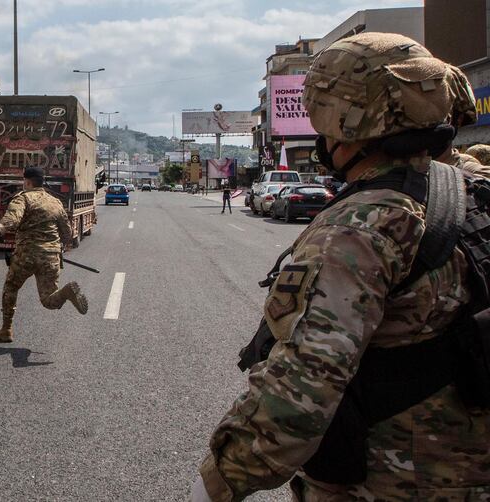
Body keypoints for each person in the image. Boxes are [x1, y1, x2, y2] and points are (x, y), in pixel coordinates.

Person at [193, 33, 490, 501]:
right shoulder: (475, 193)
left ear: (344, 117)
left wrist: (218, 482)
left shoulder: (361, 225)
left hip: (394, 482)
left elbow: (302, 386)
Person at [0, 166, 88, 343]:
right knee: (48, 300)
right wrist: (58, 249)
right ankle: (66, 292)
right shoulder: (55, 202)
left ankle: (6, 330)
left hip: (26, 255)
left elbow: (11, 221)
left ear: (26, 181)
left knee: (10, 288)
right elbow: (67, 233)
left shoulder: (23, 198)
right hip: (51, 256)